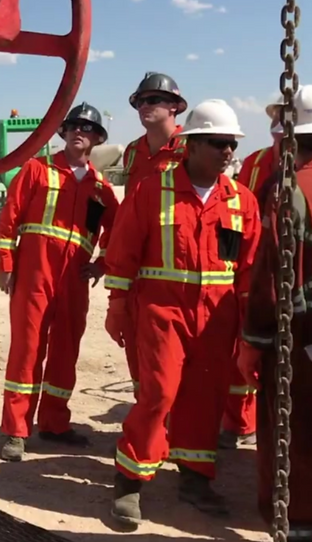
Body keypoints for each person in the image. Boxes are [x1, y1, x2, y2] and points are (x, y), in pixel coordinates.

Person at [103, 99, 261, 523]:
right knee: (158, 393)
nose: (228, 152)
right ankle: (130, 478)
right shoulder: (154, 190)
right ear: (190, 145)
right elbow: (124, 250)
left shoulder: (240, 201)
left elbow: (247, 269)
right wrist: (117, 305)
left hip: (217, 318)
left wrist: (249, 326)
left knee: (205, 398)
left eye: (231, 144)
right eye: (218, 143)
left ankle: (194, 476)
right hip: (162, 310)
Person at [0, 103, 119, 462]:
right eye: (74, 125)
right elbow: (11, 217)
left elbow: (118, 229)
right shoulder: (37, 170)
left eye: (87, 127)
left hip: (74, 281)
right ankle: (16, 430)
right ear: (63, 133)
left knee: (66, 352)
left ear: (97, 138)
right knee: (27, 350)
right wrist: (7, 263)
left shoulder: (101, 189)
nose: (80, 130)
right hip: (35, 274)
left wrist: (102, 265)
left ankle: (54, 423)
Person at [238, 84, 312, 542]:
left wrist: (252, 344)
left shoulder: (286, 187)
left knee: (295, 435)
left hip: (298, 338)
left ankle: (298, 524)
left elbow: (270, 274)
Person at [220, 98, 286, 450]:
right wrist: (230, 263)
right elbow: (234, 215)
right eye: (276, 116)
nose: (279, 123)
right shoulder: (255, 162)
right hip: (251, 265)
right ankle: (240, 422)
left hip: (294, 268)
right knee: (243, 343)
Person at [119, 72, 189, 394]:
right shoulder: (132, 151)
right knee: (137, 339)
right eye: (140, 101)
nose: (144, 106)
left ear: (175, 106)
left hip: (179, 261)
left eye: (153, 100)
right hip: (139, 258)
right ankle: (146, 415)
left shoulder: (192, 146)